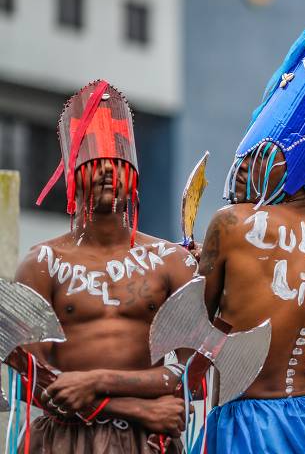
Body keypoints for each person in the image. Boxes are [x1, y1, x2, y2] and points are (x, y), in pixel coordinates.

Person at [192, 22, 305, 454]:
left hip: (248, 421)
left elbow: (198, 330)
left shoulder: (232, 223)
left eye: (256, 154)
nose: (245, 165)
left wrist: (190, 270)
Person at [15, 80, 198, 453]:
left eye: (118, 164)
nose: (107, 173)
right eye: (96, 164)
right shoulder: (41, 263)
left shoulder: (172, 262)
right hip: (65, 439)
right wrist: (133, 407)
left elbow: (192, 372)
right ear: (72, 175)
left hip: (147, 442)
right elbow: (29, 378)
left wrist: (95, 380)